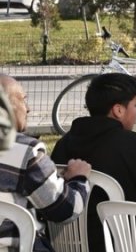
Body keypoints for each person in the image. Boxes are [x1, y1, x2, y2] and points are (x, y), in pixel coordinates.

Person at [50, 73, 136, 252]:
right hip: (120, 243)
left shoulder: (64, 142)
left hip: (64, 244)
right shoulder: (132, 144)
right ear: (118, 110)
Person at [0, 75, 90, 250]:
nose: (28, 108)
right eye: (23, 100)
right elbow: (64, 209)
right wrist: (79, 179)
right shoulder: (25, 151)